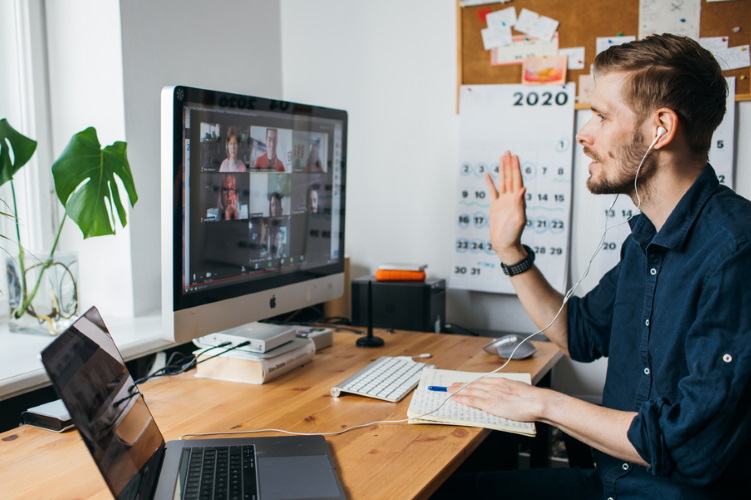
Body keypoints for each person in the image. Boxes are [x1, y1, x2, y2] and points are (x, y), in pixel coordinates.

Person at [436, 34, 751, 499]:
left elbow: (692, 448)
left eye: (602, 116)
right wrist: (510, 251)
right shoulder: (644, 241)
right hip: (613, 483)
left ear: (661, 129)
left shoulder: (735, 251)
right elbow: (578, 334)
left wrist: (542, 404)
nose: (584, 134)